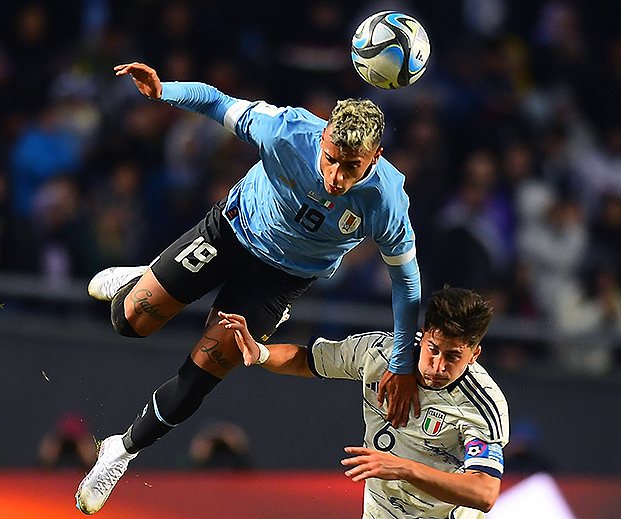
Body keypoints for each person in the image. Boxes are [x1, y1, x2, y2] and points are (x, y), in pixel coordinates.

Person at [75, 62, 422, 514]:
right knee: (129, 322)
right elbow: (216, 101)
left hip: (280, 280)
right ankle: (149, 275)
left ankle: (121, 451)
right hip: (232, 231)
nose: (336, 176)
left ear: (374, 159)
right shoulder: (286, 132)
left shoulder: (388, 200)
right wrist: (163, 90)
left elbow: (406, 283)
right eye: (331, 158)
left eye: (351, 166)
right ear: (322, 138)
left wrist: (401, 361)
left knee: (204, 371)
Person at [220, 287, 508, 518]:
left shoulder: (481, 404)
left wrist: (405, 468)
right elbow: (306, 360)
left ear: (474, 354)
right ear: (423, 336)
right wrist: (260, 353)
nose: (438, 366)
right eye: (433, 349)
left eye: (453, 356)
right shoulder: (378, 353)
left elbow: (484, 493)